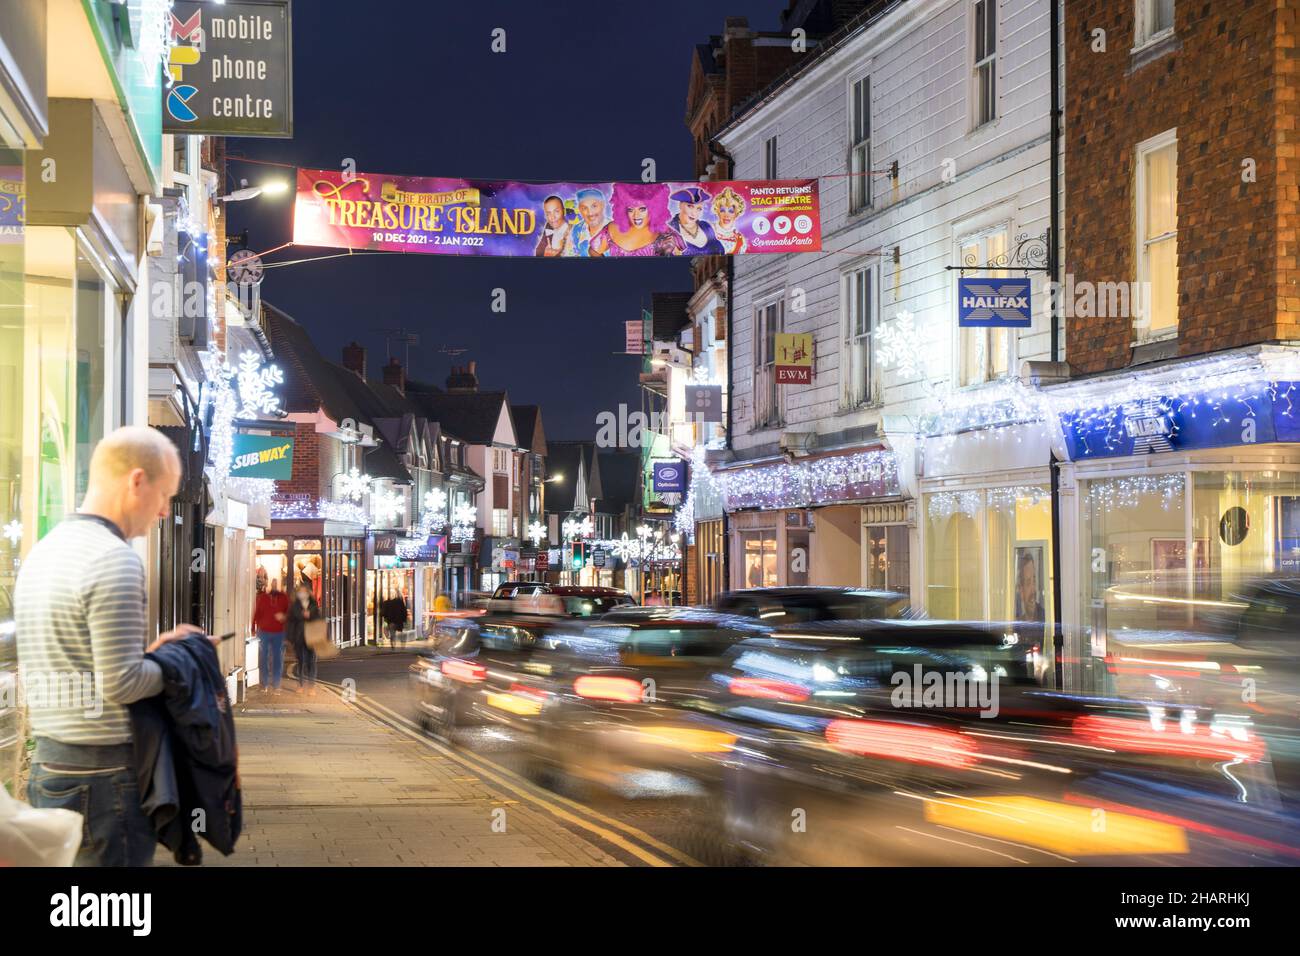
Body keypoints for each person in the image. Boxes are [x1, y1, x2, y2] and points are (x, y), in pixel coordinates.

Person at [14, 425, 215, 866]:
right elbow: (121, 684)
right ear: (137, 481)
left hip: (51, 765)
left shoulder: (45, 551)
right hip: (105, 779)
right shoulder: (114, 559)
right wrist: (180, 663)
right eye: (165, 495)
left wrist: (152, 652)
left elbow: (80, 663)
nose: (165, 511)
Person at [589, 182, 683, 257]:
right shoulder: (612, 228)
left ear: (654, 208)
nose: (636, 215)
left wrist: (666, 254)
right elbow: (593, 251)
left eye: (642, 209)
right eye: (630, 209)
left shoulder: (666, 233)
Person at [285, 583, 322, 696]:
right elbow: (290, 622)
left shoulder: (314, 604)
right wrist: (290, 639)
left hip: (312, 637)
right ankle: (300, 685)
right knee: (301, 662)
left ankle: (311, 687)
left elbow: (318, 620)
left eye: (304, 591)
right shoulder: (294, 606)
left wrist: (310, 615)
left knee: (312, 662)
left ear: (308, 592)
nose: (302, 594)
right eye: (300, 592)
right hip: (299, 637)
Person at [253, 578, 289, 694]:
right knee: (263, 658)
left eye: (276, 582)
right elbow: (257, 612)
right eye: (272, 583)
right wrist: (253, 627)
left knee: (277, 659)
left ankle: (276, 685)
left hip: (278, 632)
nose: (274, 585)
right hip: (263, 631)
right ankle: (264, 684)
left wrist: (284, 617)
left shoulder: (284, 598)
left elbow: (290, 613)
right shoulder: (263, 598)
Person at [667, 186, 725, 255]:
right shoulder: (669, 230)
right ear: (680, 205)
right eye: (690, 206)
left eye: (699, 208)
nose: (694, 213)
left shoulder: (706, 227)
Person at [562, 187, 610, 257]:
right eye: (584, 208)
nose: (590, 213)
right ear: (579, 210)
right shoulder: (576, 229)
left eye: (594, 206)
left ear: (602, 205)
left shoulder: (616, 229)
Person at [711, 186, 747, 254]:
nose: (726, 215)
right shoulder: (708, 229)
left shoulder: (740, 240)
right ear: (717, 212)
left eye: (731, 211)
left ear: (737, 213)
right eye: (722, 210)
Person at [1015, 551, 1045, 624]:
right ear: (1021, 591)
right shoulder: (1018, 625)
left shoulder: (1045, 619)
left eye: (1034, 580)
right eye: (1028, 583)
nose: (1033, 590)